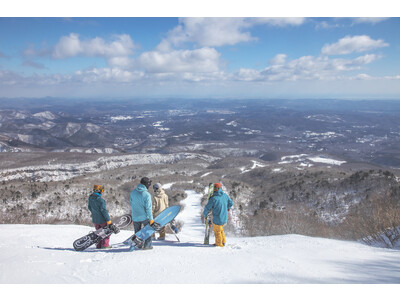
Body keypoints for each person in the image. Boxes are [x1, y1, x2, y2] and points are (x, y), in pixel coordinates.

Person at [88, 184, 119, 249]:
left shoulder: (90, 198)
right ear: (100, 191)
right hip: (102, 220)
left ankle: (98, 245)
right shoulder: (100, 200)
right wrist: (108, 220)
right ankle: (105, 245)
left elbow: (89, 207)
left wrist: (95, 213)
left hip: (95, 220)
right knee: (106, 233)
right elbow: (104, 211)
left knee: (98, 233)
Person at [203, 182, 233, 247]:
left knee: (217, 231)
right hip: (224, 216)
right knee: (220, 229)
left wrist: (205, 215)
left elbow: (207, 208)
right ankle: (223, 241)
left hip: (218, 218)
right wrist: (228, 208)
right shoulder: (225, 195)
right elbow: (231, 202)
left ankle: (219, 244)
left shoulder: (213, 198)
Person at [130, 177, 154, 250]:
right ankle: (147, 245)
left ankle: (138, 245)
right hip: (144, 217)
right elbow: (149, 208)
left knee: (137, 233)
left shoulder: (133, 192)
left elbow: (131, 203)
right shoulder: (147, 195)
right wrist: (151, 219)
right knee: (147, 231)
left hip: (135, 216)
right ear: (147, 184)